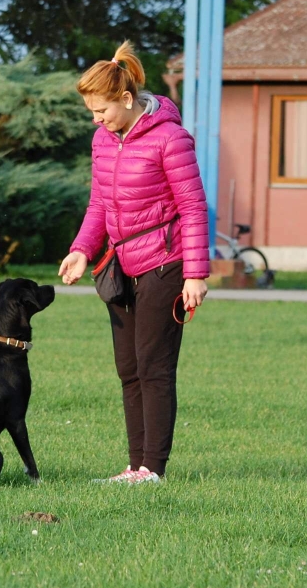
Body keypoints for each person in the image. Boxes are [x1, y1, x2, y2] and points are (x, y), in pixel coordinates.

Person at [58, 41, 210, 484]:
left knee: (153, 365)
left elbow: (194, 207)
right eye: (91, 112)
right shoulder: (103, 141)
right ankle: (135, 467)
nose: (95, 119)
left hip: (167, 262)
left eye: (101, 110)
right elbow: (100, 205)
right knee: (128, 369)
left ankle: (154, 469)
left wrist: (197, 274)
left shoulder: (170, 138)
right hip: (120, 264)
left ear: (126, 99)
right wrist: (82, 250)